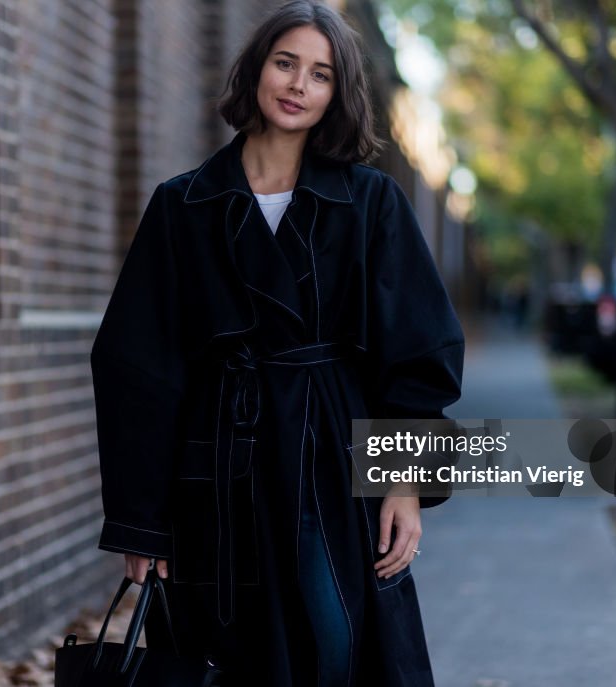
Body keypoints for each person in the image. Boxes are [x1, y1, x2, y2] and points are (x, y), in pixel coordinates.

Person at [90, 2, 464, 685]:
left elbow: (420, 347)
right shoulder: (183, 205)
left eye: (320, 74)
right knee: (230, 658)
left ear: (336, 94)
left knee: (338, 635)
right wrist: (139, 523)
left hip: (328, 455)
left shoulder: (371, 202)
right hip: (215, 471)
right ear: (257, 69)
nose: (298, 85)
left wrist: (406, 481)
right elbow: (136, 367)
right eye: (285, 63)